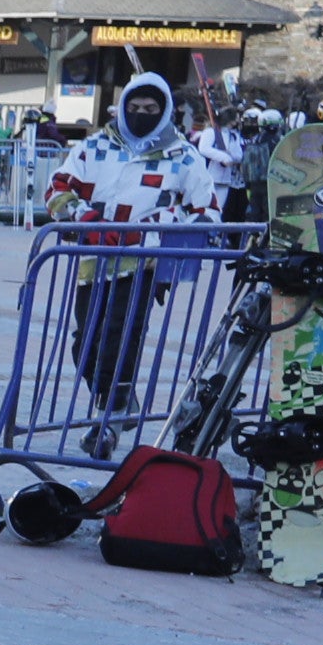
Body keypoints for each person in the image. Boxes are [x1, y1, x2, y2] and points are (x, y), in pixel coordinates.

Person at [45, 69, 223, 456]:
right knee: (85, 342)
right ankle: (119, 403)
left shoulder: (183, 156)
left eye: (151, 107)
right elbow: (58, 187)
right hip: (93, 260)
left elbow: (207, 212)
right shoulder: (95, 147)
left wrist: (158, 229)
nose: (142, 113)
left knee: (119, 339)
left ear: (164, 111)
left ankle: (106, 424)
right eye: (135, 106)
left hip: (144, 265)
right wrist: (84, 219)